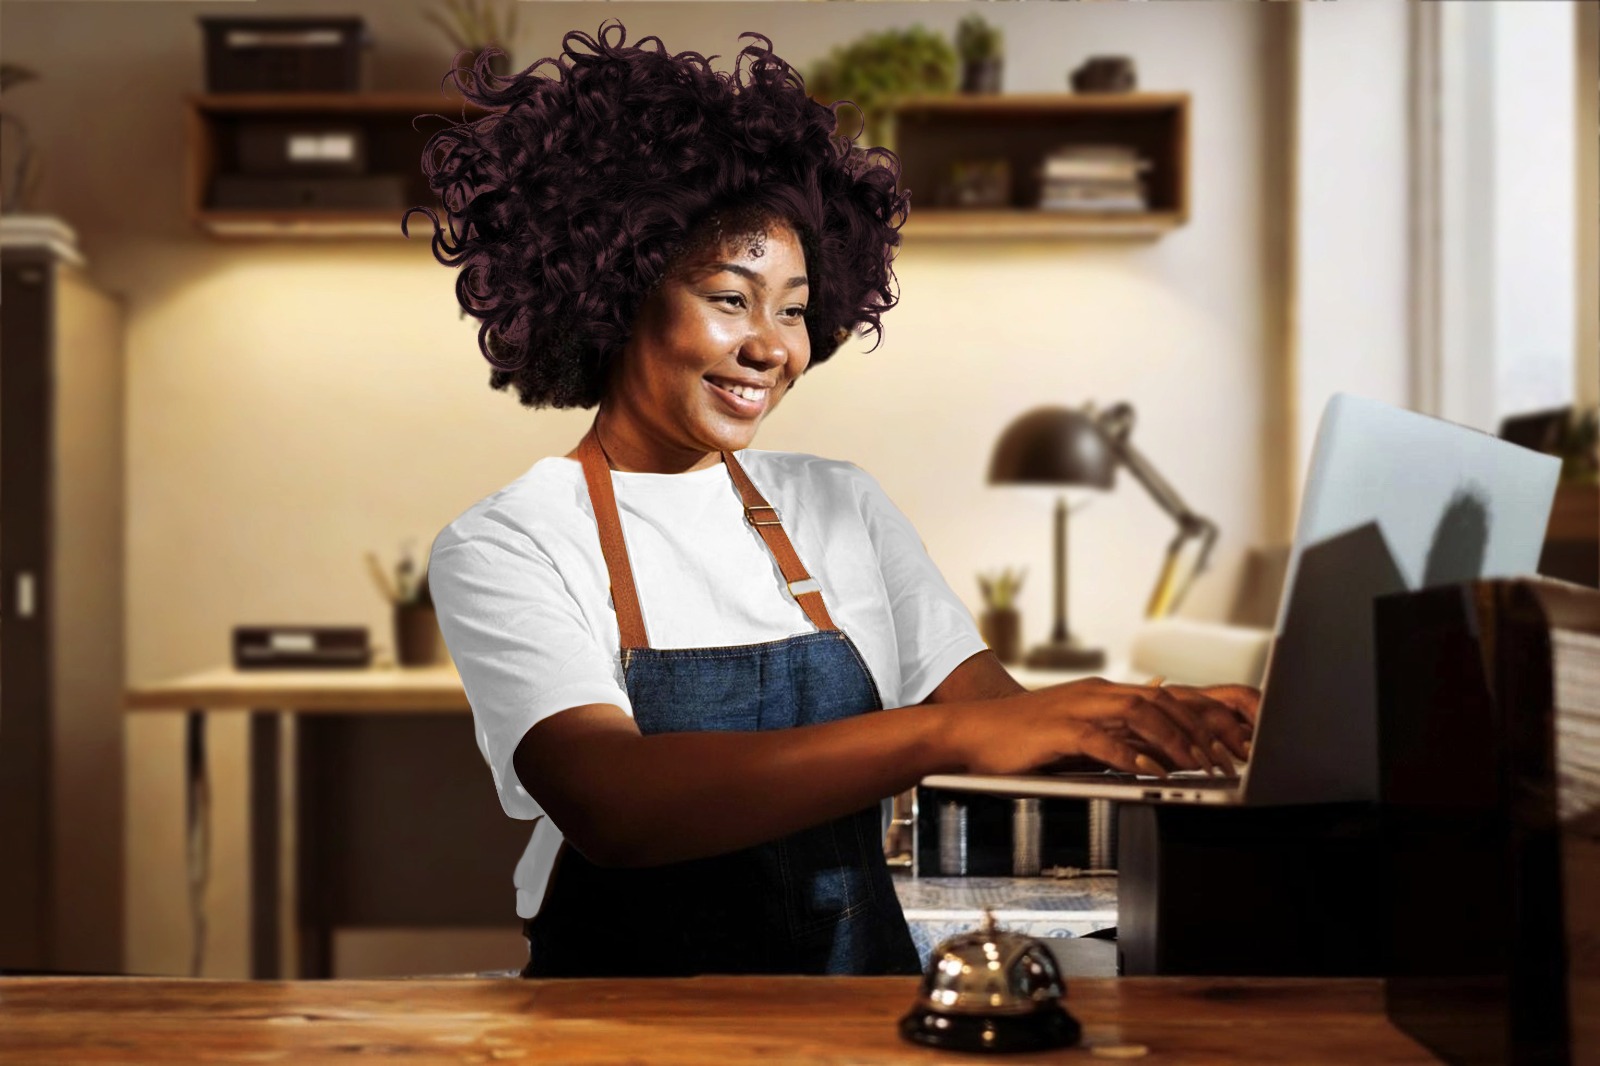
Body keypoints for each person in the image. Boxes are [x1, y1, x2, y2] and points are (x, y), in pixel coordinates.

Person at [407, 20, 1259, 979]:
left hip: (858, 995)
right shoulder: (511, 541)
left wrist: (1160, 731)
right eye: (732, 299)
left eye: (796, 307)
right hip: (621, 1013)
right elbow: (618, 805)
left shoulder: (840, 506)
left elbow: (995, 732)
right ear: (617, 290)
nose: (773, 347)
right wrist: (948, 731)